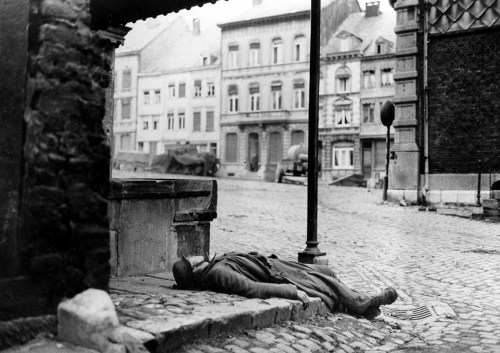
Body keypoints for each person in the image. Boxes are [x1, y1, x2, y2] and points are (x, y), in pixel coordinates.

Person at [172, 252, 397, 317]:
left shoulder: (214, 264)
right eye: (188, 259)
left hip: (276, 264)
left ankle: (366, 307)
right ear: (193, 269)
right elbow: (251, 288)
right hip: (279, 276)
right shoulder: (217, 275)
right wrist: (292, 292)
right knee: (324, 283)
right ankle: (362, 302)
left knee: (326, 272)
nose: (192, 255)